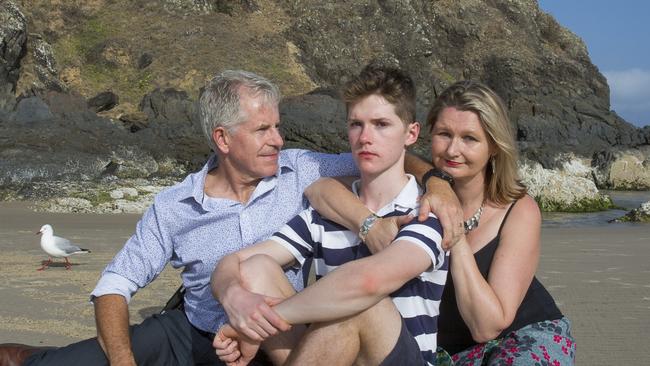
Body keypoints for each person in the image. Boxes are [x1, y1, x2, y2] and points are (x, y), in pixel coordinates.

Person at [0, 70, 461, 366]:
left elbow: (385, 157)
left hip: (280, 338)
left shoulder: (305, 169)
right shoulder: (174, 204)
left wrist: (438, 182)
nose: (279, 140)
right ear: (223, 138)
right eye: (263, 129)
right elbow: (115, 284)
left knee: (344, 315)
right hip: (200, 330)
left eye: (278, 127)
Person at [302, 80, 576, 365]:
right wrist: (370, 223)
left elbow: (488, 326)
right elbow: (320, 190)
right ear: (427, 134)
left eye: (470, 138)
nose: (452, 150)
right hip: (444, 353)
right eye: (444, 134)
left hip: (519, 338)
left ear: (494, 146)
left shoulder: (517, 209)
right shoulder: (408, 192)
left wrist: (452, 225)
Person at [212, 65, 448, 366]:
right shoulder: (326, 213)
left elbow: (367, 284)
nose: (365, 137)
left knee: (361, 306)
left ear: (411, 133)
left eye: (381, 124)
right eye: (356, 124)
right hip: (334, 354)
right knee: (257, 268)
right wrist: (237, 300)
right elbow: (235, 263)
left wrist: (254, 327)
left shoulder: (426, 210)